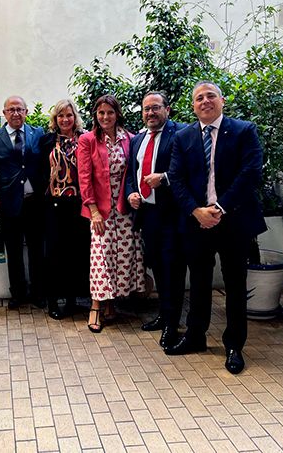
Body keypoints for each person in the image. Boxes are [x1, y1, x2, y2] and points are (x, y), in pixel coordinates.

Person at [168, 80, 267, 374]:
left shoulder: (243, 131)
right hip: (197, 222)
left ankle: (234, 345)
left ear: (222, 100)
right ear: (193, 106)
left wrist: (220, 207)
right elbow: (176, 178)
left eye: (210, 95)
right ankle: (195, 336)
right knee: (199, 281)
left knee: (235, 284)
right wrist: (196, 211)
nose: (205, 101)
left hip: (233, 220)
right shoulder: (183, 137)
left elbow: (251, 172)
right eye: (199, 98)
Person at [125, 91, 187, 350]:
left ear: (167, 110)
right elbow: (132, 173)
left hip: (172, 215)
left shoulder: (181, 133)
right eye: (146, 109)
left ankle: (173, 324)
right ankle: (163, 315)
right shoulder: (138, 139)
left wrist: (164, 178)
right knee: (158, 268)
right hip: (148, 214)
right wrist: (131, 193)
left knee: (173, 269)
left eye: (155, 108)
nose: (150, 113)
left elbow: (187, 170)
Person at [77, 95, 145, 333]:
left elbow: (135, 172)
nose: (105, 117)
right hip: (100, 210)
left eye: (110, 112)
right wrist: (93, 210)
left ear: (118, 114)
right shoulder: (88, 140)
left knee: (122, 257)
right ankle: (95, 306)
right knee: (101, 257)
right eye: (101, 113)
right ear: (95, 115)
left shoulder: (131, 139)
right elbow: (84, 177)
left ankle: (111, 304)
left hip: (124, 208)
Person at [0, 96, 45, 310]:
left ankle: (39, 293)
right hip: (8, 203)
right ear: (4, 113)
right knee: (13, 250)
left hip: (35, 202)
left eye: (20, 109)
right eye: (11, 109)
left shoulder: (38, 133)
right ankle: (18, 293)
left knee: (37, 250)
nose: (16, 113)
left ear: (26, 112)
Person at [38, 99, 90, 320]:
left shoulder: (85, 139)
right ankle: (52, 301)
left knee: (76, 253)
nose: (65, 119)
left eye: (69, 115)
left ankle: (71, 300)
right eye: (60, 115)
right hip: (54, 206)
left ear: (75, 117)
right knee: (53, 254)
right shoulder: (46, 140)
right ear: (55, 118)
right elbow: (40, 170)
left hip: (79, 204)